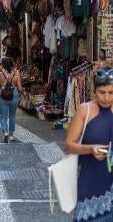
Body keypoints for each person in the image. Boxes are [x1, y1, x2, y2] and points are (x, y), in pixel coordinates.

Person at [65, 66, 113, 222]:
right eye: (102, 92)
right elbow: (69, 145)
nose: (106, 98)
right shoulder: (84, 110)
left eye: (111, 93)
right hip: (90, 182)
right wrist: (90, 149)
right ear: (94, 90)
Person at [0, 57, 23, 143]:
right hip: (14, 95)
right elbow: (19, 88)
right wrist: (20, 94)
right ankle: (11, 135)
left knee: (3, 116)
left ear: (3, 65)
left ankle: (5, 132)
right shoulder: (16, 73)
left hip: (3, 95)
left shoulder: (0, 74)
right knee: (12, 115)